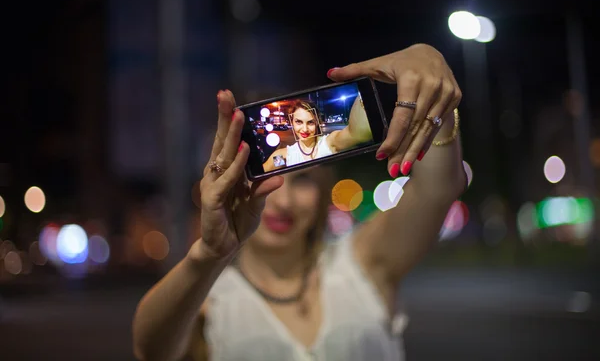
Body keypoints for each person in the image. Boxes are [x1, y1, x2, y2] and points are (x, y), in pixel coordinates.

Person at [132, 44, 466, 361]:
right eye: (266, 180)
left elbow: (437, 189)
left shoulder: (363, 261)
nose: (284, 201)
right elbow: (152, 350)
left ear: (324, 188)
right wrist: (209, 254)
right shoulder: (203, 296)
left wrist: (433, 87)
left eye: (303, 180)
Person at [262, 97, 372, 172]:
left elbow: (358, 134)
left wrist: (362, 98)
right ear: (292, 122)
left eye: (310, 122)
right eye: (299, 122)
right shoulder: (285, 156)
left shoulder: (329, 143)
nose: (304, 129)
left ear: (317, 123)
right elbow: (262, 173)